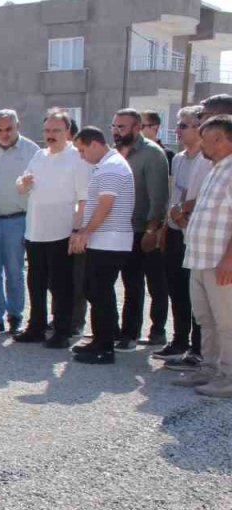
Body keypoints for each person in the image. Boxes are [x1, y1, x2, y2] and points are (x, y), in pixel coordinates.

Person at [14, 109, 89, 348]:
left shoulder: (78, 158)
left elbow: (84, 199)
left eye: (56, 130)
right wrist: (22, 184)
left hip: (61, 232)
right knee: (35, 282)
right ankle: (36, 326)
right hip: (35, 230)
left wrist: (77, 231)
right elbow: (22, 185)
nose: (50, 135)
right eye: (47, 130)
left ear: (68, 132)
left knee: (61, 286)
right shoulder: (39, 156)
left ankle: (62, 331)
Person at [173, 114, 232, 397]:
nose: (202, 144)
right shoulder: (216, 169)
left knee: (227, 322)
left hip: (220, 262)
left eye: (206, 138)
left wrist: (229, 259)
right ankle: (210, 368)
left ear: (220, 139)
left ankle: (229, 376)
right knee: (206, 319)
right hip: (200, 259)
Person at [69, 127, 136, 365]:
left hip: (111, 240)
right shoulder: (108, 165)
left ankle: (105, 347)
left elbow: (106, 204)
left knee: (100, 292)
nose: (81, 155)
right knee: (94, 290)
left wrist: (85, 231)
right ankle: (100, 339)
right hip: (104, 239)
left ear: (95, 144)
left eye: (82, 149)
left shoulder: (112, 167)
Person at [154, 106, 211, 365]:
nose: (178, 130)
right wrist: (167, 225)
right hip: (176, 232)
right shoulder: (177, 159)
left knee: (196, 293)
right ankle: (179, 341)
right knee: (175, 289)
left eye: (185, 125)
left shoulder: (209, 159)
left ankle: (198, 349)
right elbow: (173, 197)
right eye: (178, 124)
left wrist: (182, 212)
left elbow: (203, 198)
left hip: (197, 234)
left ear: (201, 127)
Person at [0, 109, 40, 334]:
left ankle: (15, 316)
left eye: (8, 129)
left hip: (17, 221)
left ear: (18, 126)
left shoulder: (32, 151)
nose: (4, 134)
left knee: (14, 271)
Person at [112, 108, 171, 349]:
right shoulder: (115, 153)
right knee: (131, 284)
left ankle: (158, 331)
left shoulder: (152, 154)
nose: (116, 132)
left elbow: (159, 196)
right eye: (114, 127)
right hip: (124, 230)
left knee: (156, 284)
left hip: (146, 229)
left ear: (137, 128)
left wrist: (152, 230)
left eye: (121, 127)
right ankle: (129, 334)